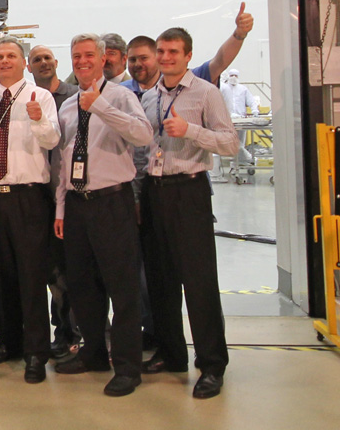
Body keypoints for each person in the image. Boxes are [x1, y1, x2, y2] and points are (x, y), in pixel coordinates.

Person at [139, 28, 240, 399]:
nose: (166, 58)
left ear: (187, 55)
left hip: (189, 192)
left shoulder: (206, 93)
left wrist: (191, 130)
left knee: (198, 284)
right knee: (161, 281)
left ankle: (212, 365)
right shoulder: (150, 97)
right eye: (161, 51)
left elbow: (230, 142)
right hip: (154, 193)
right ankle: (171, 353)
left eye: (173, 52)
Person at [52, 34, 153, 397]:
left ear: (102, 59)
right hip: (78, 205)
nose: (82, 61)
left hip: (113, 202)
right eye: (76, 55)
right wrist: (62, 208)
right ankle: (93, 353)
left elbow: (143, 135)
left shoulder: (121, 96)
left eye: (88, 55)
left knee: (122, 287)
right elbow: (65, 160)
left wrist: (101, 107)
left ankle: (127, 366)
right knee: (83, 286)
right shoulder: (66, 107)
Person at [0, 38, 59, 384]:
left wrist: (38, 121)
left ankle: (36, 351)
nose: (4, 61)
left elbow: (52, 141)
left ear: (25, 64)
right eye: (0, 56)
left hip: (28, 197)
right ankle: (9, 342)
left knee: (32, 276)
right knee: (1, 275)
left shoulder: (41, 97)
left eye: (11, 56)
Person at [27, 45, 81, 357]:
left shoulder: (74, 97)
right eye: (38, 59)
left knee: (73, 270)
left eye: (48, 58)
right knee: (51, 273)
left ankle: (82, 333)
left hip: (70, 197)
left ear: (56, 63)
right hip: (40, 199)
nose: (44, 63)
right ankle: (62, 333)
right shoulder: (27, 99)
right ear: (28, 66)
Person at [121, 2, 256, 97]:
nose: (138, 64)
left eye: (144, 58)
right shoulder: (121, 92)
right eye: (133, 59)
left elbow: (219, 62)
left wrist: (239, 35)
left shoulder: (188, 81)